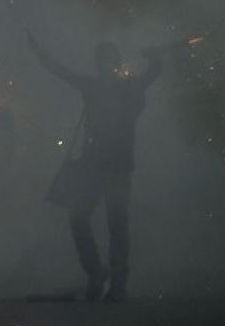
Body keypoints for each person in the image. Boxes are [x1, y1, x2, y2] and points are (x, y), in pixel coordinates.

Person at [27, 31, 163, 303]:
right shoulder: (102, 86)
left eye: (107, 59)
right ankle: (100, 274)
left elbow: (154, 72)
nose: (104, 65)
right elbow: (59, 70)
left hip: (115, 165)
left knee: (114, 224)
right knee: (83, 219)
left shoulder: (123, 87)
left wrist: (154, 58)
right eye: (102, 60)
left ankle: (115, 282)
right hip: (97, 164)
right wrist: (38, 51)